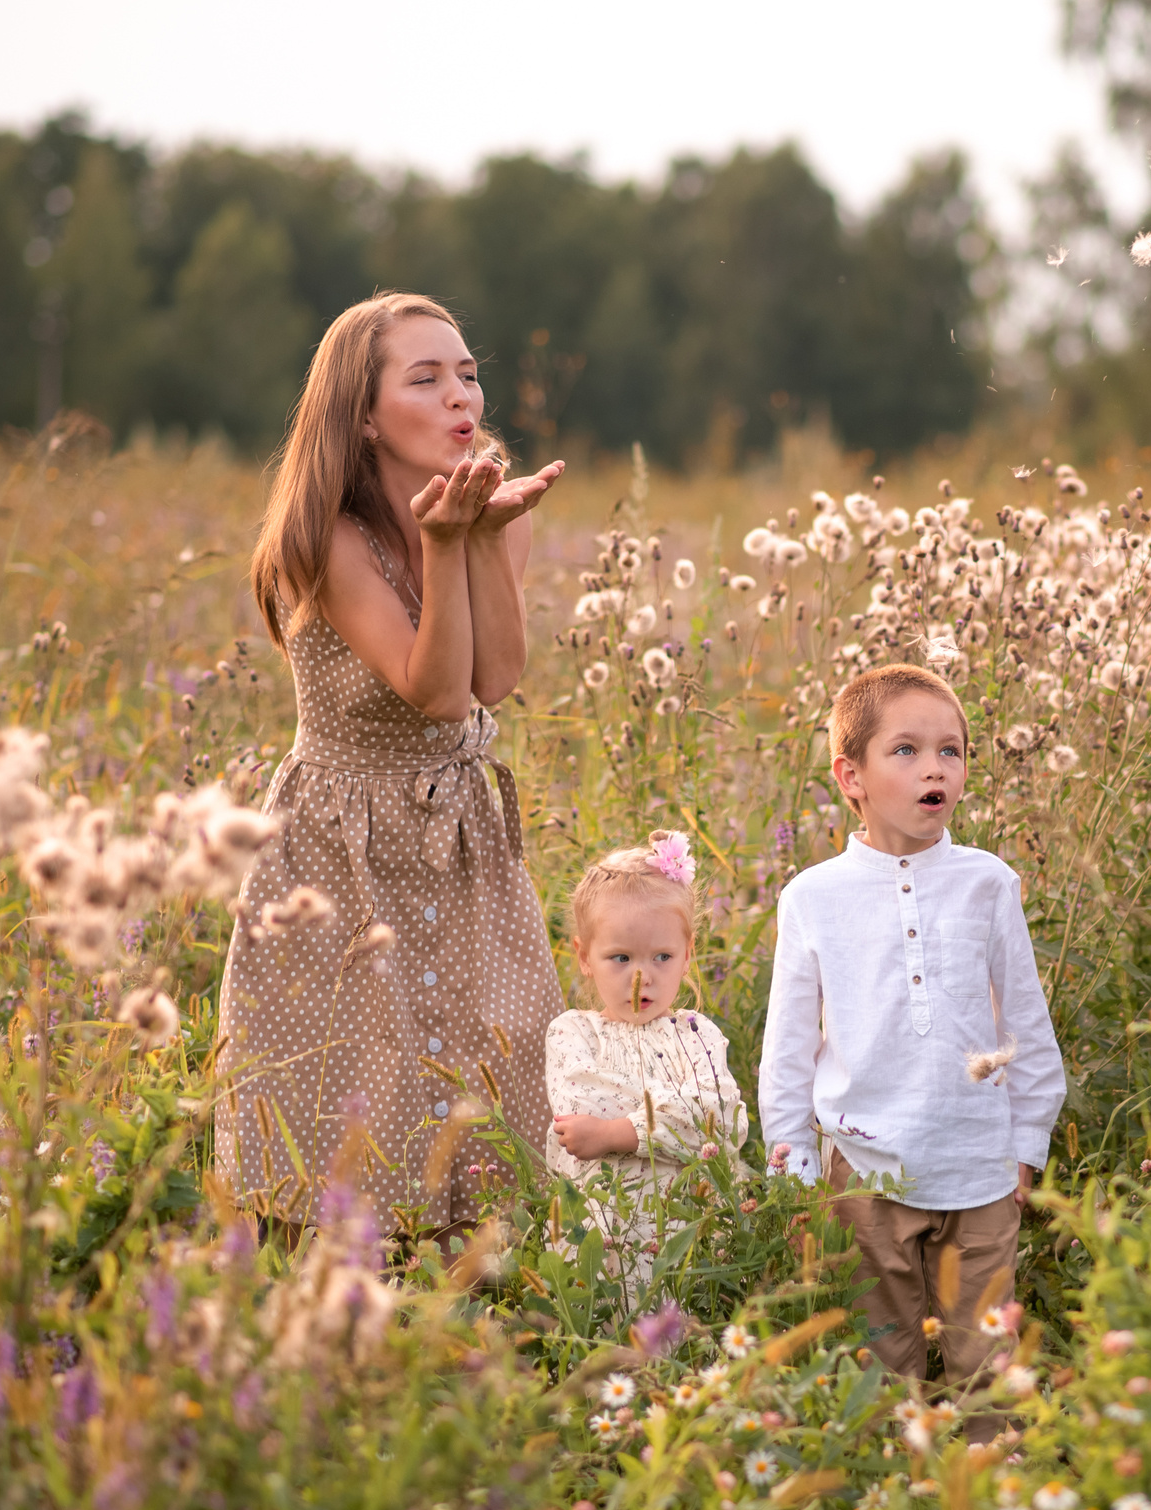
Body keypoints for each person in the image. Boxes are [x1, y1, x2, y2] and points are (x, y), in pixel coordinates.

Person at [215, 291, 569, 1234]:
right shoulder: (324, 540)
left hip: (460, 831)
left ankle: (494, 1300)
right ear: (365, 414)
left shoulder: (499, 511)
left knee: (502, 1050)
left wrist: (481, 537)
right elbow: (433, 689)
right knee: (351, 1081)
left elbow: (493, 680)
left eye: (467, 372)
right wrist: (448, 544)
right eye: (427, 378)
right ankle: (346, 1314)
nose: (462, 396)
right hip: (339, 844)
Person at [757, 663, 1066, 1389]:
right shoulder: (814, 897)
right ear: (850, 775)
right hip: (863, 1169)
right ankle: (893, 1486)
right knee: (880, 1362)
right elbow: (790, 1043)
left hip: (979, 1164)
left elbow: (1024, 1016)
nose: (935, 768)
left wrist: (1027, 1139)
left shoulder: (988, 882)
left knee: (987, 1358)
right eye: (906, 750)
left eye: (951, 750)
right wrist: (795, 1161)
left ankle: (996, 1483)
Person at [542, 831, 750, 1286]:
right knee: (605, 1345)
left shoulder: (698, 1035)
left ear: (688, 954)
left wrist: (618, 1132)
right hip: (599, 1238)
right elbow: (580, 1114)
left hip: (689, 1234)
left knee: (690, 1339)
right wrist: (679, 1114)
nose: (643, 976)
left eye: (662, 956)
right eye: (620, 957)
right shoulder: (572, 1033)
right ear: (584, 956)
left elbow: (726, 1120)